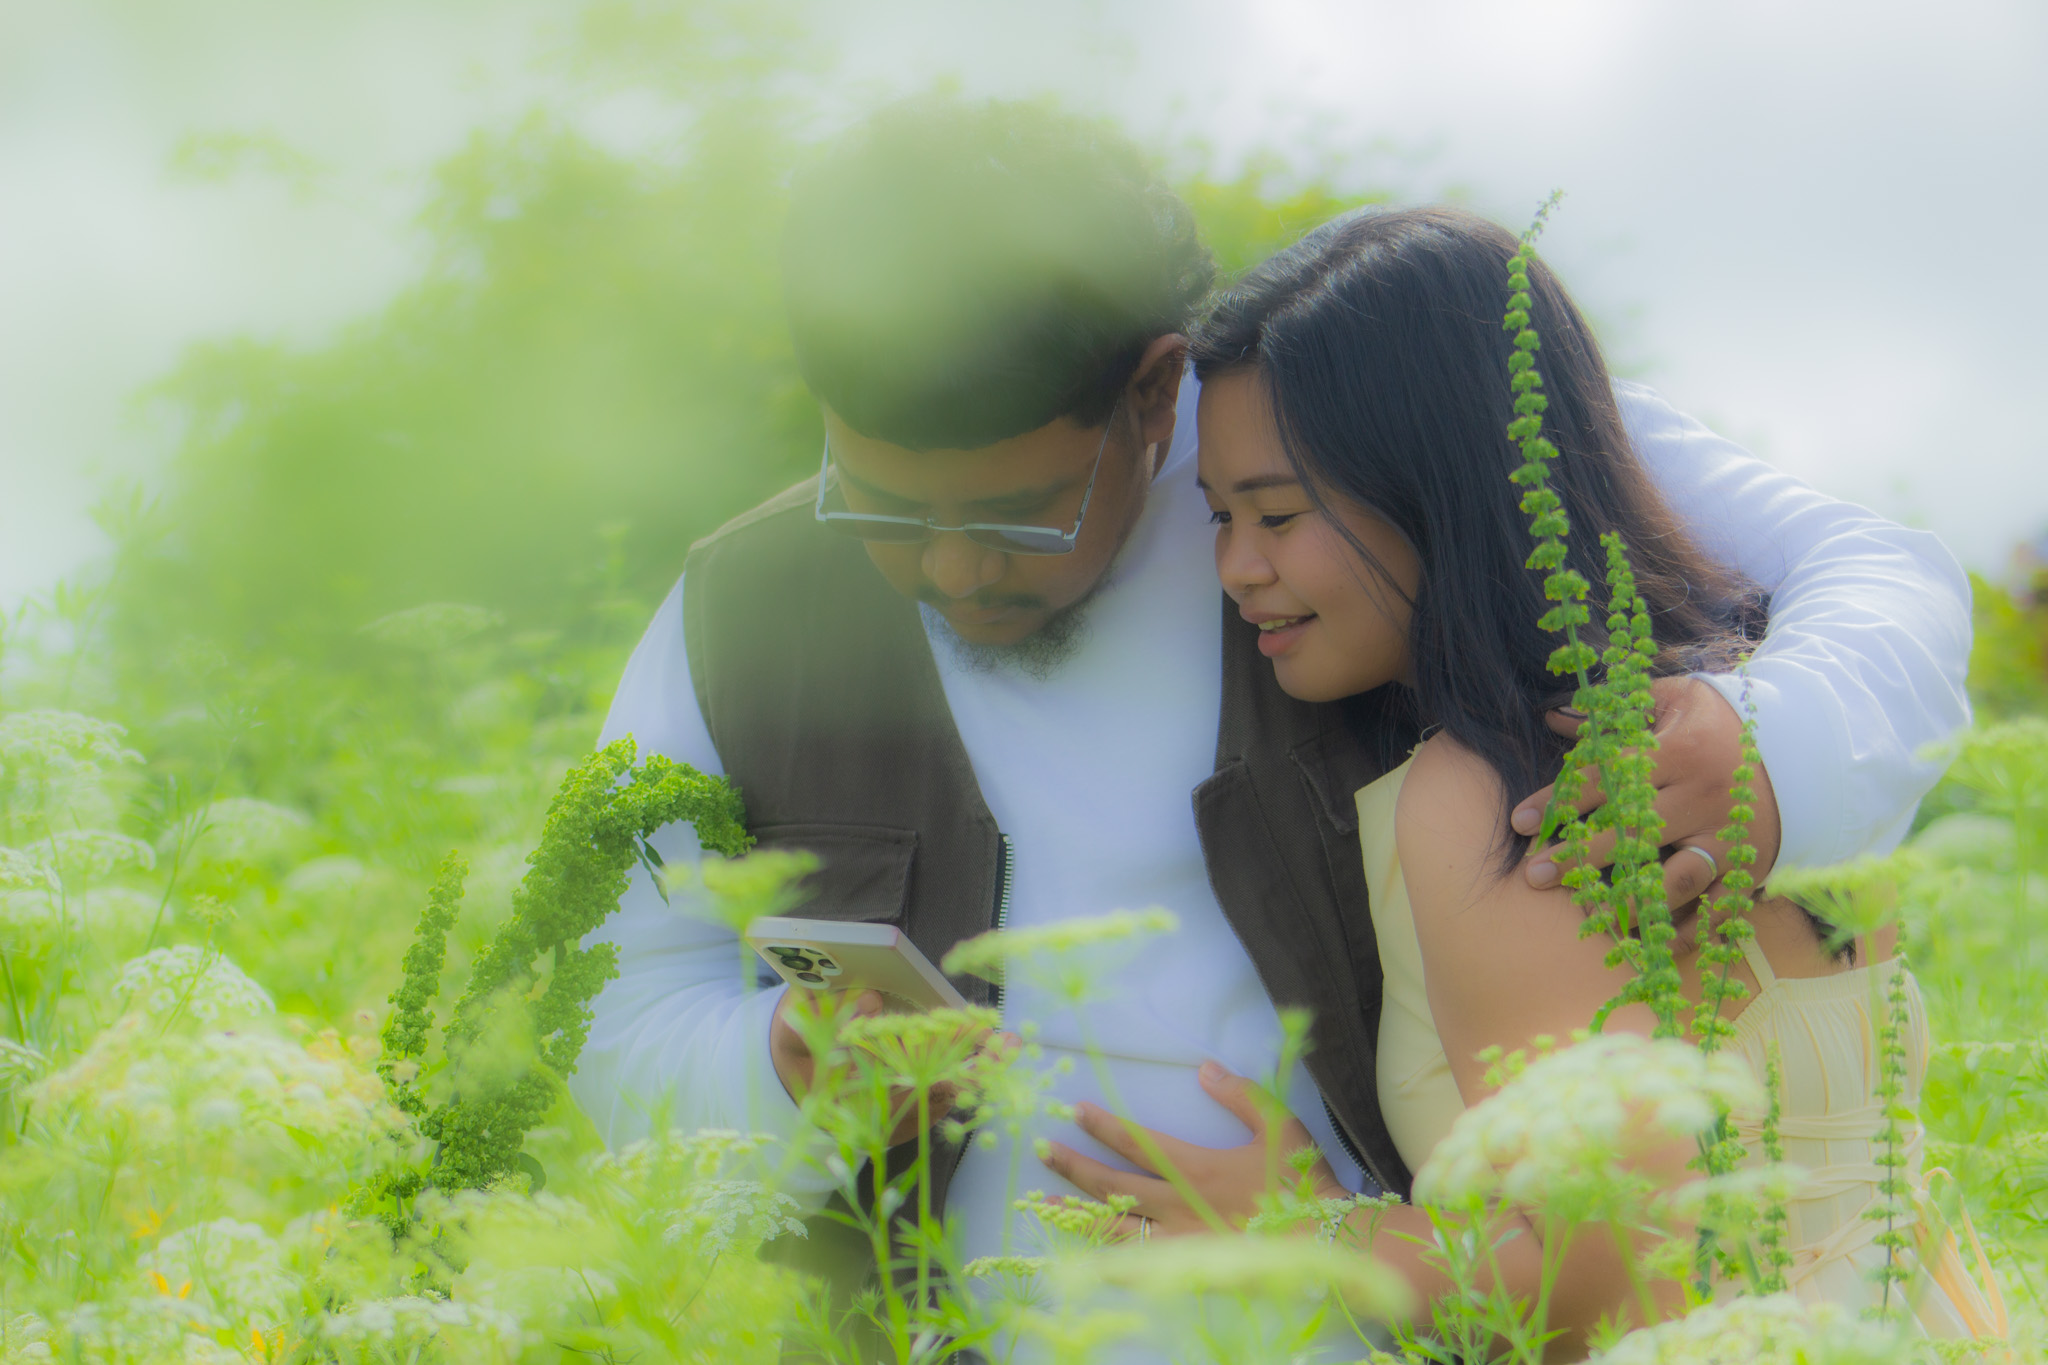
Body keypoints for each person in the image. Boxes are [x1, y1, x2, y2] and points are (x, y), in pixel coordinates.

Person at [568, 98, 1971, 1304]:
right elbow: (603, 1021)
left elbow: (1877, 573)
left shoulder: (1347, 417)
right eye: (876, 504)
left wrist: (1768, 750)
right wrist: (785, 1063)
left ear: (1153, 392)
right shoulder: (741, 610)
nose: (946, 569)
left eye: (1016, 514)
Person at [1039, 205, 2004, 1348]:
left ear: (1434, 484)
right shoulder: (1750, 709)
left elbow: (1605, 1273)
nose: (1236, 568)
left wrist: (1298, 1227)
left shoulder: (1502, 789)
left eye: (1278, 515)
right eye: (1218, 517)